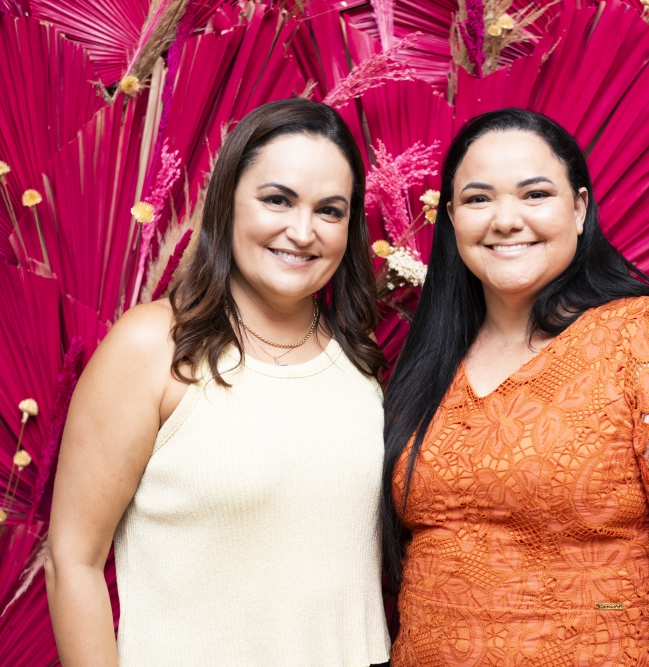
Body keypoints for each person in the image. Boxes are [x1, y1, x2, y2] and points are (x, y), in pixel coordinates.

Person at [382, 108, 649, 666]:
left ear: (580, 208)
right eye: (478, 199)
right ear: (452, 218)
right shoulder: (428, 361)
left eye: (535, 194)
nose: (506, 220)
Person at [46, 99, 391, 667]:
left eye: (330, 210)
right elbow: (72, 561)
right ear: (228, 200)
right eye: (277, 199)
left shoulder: (358, 356)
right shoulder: (153, 346)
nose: (302, 231)